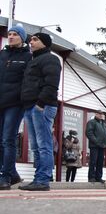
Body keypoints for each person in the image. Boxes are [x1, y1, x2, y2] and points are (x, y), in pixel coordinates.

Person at [18, 32, 61, 191]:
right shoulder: (32, 60)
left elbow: (52, 83)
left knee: (44, 145)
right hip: (30, 106)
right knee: (36, 146)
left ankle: (43, 180)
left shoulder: (51, 59)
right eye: (30, 40)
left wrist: (40, 104)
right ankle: (39, 178)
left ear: (45, 43)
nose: (31, 42)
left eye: (35, 40)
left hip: (42, 106)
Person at [0, 24, 31, 190]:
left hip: (15, 104)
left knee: (8, 140)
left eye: (15, 34)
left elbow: (28, 81)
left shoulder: (28, 56)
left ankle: (5, 177)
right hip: (1, 102)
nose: (11, 36)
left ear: (22, 38)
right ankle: (12, 174)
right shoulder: (2, 54)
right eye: (9, 34)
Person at [86, 112, 106, 183]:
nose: (101, 115)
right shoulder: (91, 122)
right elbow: (89, 133)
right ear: (96, 114)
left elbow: (105, 134)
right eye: (99, 114)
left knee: (100, 162)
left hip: (102, 146)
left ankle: (99, 177)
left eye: (102, 114)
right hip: (94, 146)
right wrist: (96, 141)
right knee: (93, 161)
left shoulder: (104, 124)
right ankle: (91, 177)